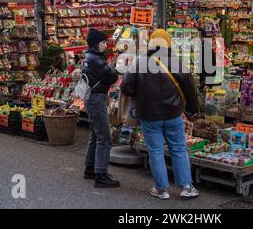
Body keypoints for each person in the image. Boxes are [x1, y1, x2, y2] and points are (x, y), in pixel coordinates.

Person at [120, 29, 200, 200]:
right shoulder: (177, 62)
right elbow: (191, 90)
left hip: (149, 114)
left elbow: (125, 87)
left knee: (155, 150)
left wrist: (140, 93)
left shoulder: (140, 62)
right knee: (178, 149)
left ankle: (161, 189)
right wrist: (192, 110)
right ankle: (187, 187)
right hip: (173, 113)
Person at [83, 29, 120, 188]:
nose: (106, 44)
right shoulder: (96, 60)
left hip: (91, 98)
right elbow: (112, 77)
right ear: (97, 43)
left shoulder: (89, 57)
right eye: (104, 42)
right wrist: (117, 69)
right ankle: (101, 175)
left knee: (95, 134)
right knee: (105, 137)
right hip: (97, 99)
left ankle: (90, 168)